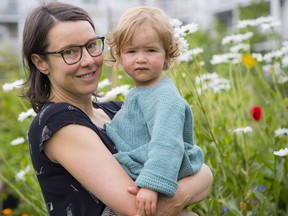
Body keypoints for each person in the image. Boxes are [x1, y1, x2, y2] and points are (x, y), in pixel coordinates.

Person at [21, 1, 213, 216]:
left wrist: (203, 176)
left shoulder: (119, 110)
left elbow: (195, 165)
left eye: (91, 45)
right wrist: (197, 182)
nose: (88, 60)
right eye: (70, 52)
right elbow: (139, 210)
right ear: (40, 62)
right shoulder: (58, 123)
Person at [105, 5, 206, 216]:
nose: (141, 58)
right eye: (132, 51)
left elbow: (167, 144)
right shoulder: (141, 93)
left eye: (150, 50)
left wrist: (152, 185)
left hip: (155, 184)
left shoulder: (165, 97)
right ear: (120, 56)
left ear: (167, 55)